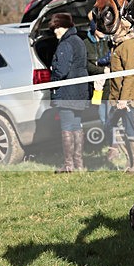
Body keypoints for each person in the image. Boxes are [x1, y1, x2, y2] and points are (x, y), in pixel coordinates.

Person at [50, 12, 90, 172]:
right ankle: (79, 164)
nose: (55, 32)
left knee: (67, 126)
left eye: (57, 27)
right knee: (76, 126)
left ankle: (69, 164)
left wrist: (53, 74)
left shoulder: (65, 44)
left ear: (64, 26)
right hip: (80, 92)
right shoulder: (79, 41)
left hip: (67, 92)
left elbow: (62, 70)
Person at [107, 22, 134, 172]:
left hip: (127, 99)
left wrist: (124, 99)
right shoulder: (118, 45)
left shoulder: (128, 45)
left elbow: (130, 75)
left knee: (130, 130)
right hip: (118, 98)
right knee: (113, 127)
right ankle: (131, 163)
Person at [84, 23, 112, 125]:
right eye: (99, 29)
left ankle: (114, 137)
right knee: (102, 116)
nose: (102, 31)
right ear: (93, 29)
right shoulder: (86, 44)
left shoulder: (110, 42)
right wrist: (102, 70)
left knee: (112, 115)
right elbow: (86, 65)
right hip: (97, 86)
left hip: (110, 84)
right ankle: (109, 137)